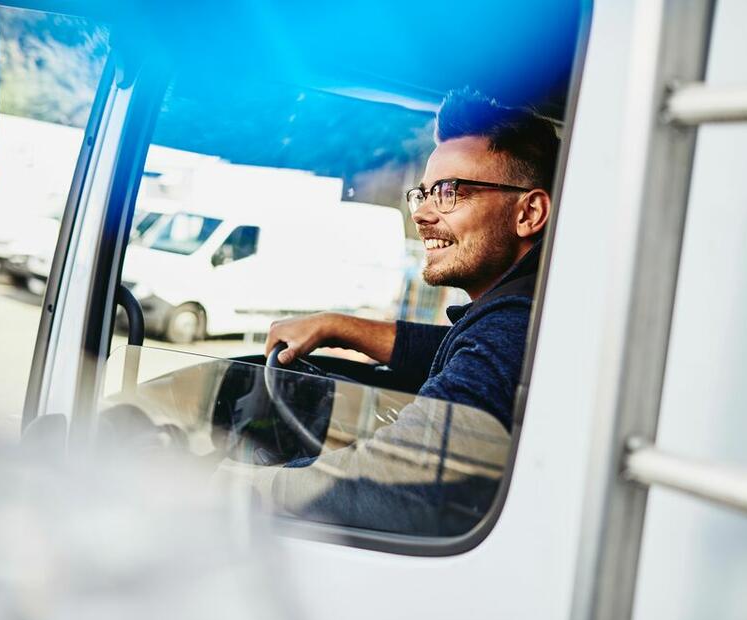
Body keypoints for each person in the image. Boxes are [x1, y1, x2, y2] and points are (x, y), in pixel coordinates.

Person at [240, 89, 560, 535]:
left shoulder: (512, 326)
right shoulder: (527, 313)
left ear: (529, 213)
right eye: (424, 194)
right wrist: (338, 327)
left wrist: (251, 487)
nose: (423, 214)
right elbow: (453, 351)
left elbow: (402, 483)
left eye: (449, 192)